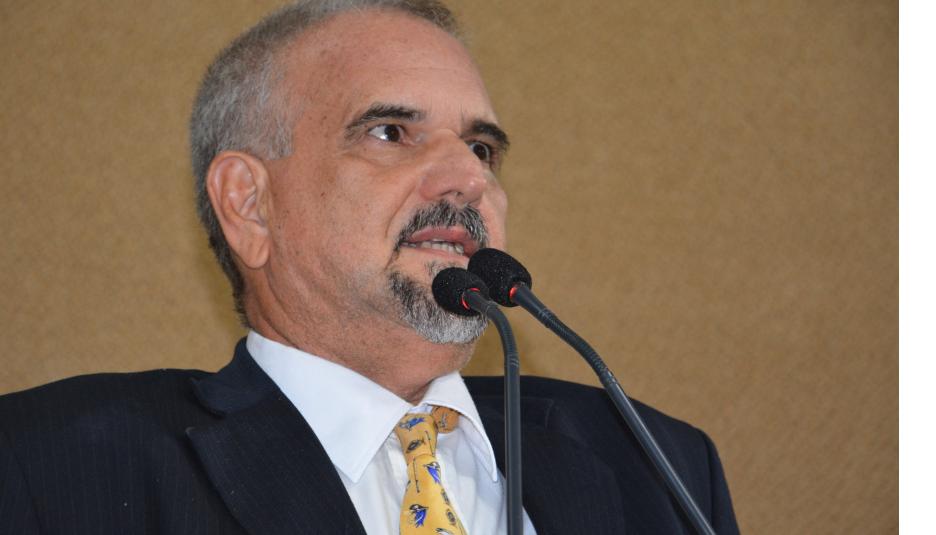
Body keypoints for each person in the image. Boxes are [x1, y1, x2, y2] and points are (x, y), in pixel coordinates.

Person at [0, 1, 740, 533]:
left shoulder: (658, 464)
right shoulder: (50, 468)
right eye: (390, 132)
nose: (469, 179)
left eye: (481, 148)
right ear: (249, 206)